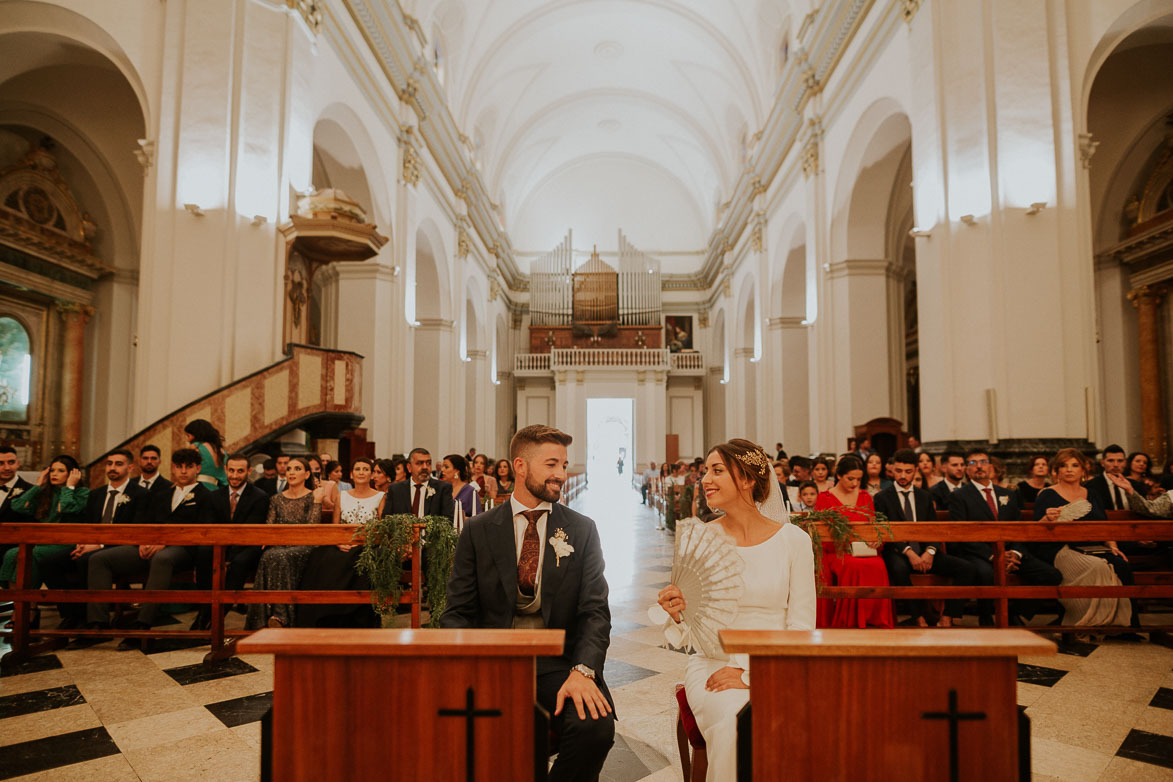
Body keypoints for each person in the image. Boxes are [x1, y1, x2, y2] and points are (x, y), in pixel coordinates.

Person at [441, 425, 615, 780]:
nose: (561, 475)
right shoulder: (479, 530)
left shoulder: (582, 530)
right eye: (552, 464)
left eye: (564, 465)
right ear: (520, 466)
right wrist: (473, 667)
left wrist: (584, 672)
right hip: (495, 663)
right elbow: (456, 613)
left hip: (560, 664)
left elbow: (595, 612)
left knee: (595, 729)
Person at [657, 439, 815, 782]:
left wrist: (753, 674)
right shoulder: (702, 539)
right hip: (715, 663)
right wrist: (679, 613)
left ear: (746, 479)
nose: (705, 480)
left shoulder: (794, 541)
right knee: (734, 719)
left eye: (717, 471)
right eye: (705, 472)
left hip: (778, 665)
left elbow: (801, 626)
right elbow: (694, 634)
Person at [86, 448, 215, 647]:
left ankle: (142, 624)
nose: (183, 472)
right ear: (172, 468)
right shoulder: (162, 494)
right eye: (179, 467)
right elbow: (146, 522)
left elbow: (201, 532)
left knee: (162, 559)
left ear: (197, 468)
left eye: (188, 467)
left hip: (184, 550)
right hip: (149, 544)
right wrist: (143, 541)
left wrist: (165, 542)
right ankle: (98, 623)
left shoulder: (206, 496)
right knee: (100, 558)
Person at [947, 449, 1060, 625]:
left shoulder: (1007, 494)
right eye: (972, 463)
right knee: (985, 573)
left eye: (983, 462)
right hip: (980, 552)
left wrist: (1015, 552)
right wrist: (994, 556)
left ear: (990, 467)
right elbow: (961, 533)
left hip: (1010, 550)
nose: (978, 466)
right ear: (967, 470)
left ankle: (1014, 612)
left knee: (1051, 575)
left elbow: (1017, 527)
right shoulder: (959, 496)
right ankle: (985, 618)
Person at [875, 449, 975, 627]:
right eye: (898, 471)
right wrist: (909, 552)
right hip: (899, 551)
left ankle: (948, 616)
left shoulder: (924, 496)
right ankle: (918, 617)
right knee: (898, 569)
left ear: (915, 471)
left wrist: (929, 551)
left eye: (908, 471)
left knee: (966, 568)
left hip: (925, 550)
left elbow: (933, 528)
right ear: (892, 471)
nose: (903, 476)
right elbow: (885, 530)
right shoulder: (882, 497)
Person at [46, 450, 145, 628]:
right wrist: (82, 543)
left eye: (118, 464)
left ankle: (93, 620)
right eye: (109, 463)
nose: (112, 467)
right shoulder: (96, 494)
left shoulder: (140, 494)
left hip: (121, 547)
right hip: (91, 544)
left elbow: (134, 531)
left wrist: (98, 545)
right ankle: (72, 613)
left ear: (130, 467)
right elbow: (87, 524)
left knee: (87, 560)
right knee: (50, 562)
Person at [1034, 450, 1131, 627]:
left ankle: (1121, 625)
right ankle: (1088, 621)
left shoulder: (1092, 493)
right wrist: (1046, 518)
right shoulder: (1047, 494)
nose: (1069, 470)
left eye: (1074, 465)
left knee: (1120, 564)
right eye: (1063, 466)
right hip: (1060, 548)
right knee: (1096, 566)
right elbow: (1034, 531)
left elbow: (1104, 524)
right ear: (1056, 471)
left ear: (1083, 470)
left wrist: (1113, 546)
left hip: (1092, 545)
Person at [0, 456, 89, 630]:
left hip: (66, 543)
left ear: (73, 474)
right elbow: (17, 506)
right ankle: (22, 607)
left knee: (31, 555)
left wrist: (69, 487)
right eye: (52, 470)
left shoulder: (82, 492)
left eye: (60, 471)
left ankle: (26, 611)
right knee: (12, 554)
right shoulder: (46, 493)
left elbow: (67, 507)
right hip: (44, 542)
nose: (54, 474)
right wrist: (38, 487)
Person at [298, 458, 384, 628]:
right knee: (320, 558)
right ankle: (327, 614)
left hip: (367, 544)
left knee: (359, 560)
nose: (361, 472)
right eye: (357, 469)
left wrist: (361, 541)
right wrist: (339, 542)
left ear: (372, 474)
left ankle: (354, 615)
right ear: (351, 474)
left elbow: (381, 529)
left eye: (365, 469)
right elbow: (336, 526)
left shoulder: (380, 497)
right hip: (342, 542)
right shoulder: (342, 496)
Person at [814, 455, 894, 629]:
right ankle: (851, 619)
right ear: (838, 476)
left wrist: (875, 541)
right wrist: (845, 544)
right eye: (850, 479)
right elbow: (821, 535)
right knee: (854, 566)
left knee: (878, 565)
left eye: (858, 479)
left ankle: (874, 618)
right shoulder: (825, 498)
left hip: (864, 551)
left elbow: (873, 528)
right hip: (836, 551)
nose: (855, 484)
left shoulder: (865, 496)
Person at [246, 457, 324, 629]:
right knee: (268, 555)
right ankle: (264, 618)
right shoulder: (276, 499)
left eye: (297, 469)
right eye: (289, 469)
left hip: (305, 546)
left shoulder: (313, 497)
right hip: (280, 544)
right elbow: (270, 527)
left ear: (307, 474)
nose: (291, 472)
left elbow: (312, 528)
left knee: (279, 556)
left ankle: (280, 616)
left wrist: (318, 501)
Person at [208, 453, 269, 611]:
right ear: (226, 470)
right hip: (220, 544)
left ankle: (219, 613)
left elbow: (250, 531)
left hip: (247, 546)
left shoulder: (259, 496)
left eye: (240, 471)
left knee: (239, 561)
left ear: (249, 471)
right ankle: (206, 610)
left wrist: (228, 557)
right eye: (232, 470)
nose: (235, 476)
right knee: (204, 554)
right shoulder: (214, 496)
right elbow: (210, 526)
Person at [387, 448, 456, 519]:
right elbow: (387, 520)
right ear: (409, 467)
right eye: (419, 463)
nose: (425, 467)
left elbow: (448, 520)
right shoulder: (395, 489)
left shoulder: (442, 488)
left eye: (428, 463)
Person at [0, 445, 35, 559]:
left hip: (13, 549)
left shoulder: (30, 491)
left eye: (11, 462)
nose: (7, 468)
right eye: (1, 463)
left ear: (18, 463)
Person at [184, 419, 227, 488]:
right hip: (218, 489)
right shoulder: (221, 450)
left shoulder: (196, 447)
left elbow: (187, 470)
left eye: (188, 436)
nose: (188, 440)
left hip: (201, 487)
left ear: (196, 434)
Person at [133, 444, 172, 510]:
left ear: (159, 461)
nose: (149, 461)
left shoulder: (169, 487)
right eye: (145, 458)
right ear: (139, 461)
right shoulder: (131, 483)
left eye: (153, 458)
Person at [442, 453, 480, 519]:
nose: (442, 470)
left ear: (457, 471)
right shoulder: (441, 489)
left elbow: (478, 517)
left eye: (446, 467)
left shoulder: (470, 491)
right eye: (443, 467)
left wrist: (462, 519)